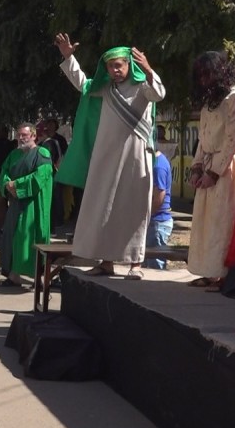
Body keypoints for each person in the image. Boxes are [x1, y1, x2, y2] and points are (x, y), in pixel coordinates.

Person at [55, 35, 166, 280]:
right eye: (110, 66)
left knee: (135, 208)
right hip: (107, 159)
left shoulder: (142, 87)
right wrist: (68, 57)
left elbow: (159, 93)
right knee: (106, 207)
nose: (115, 70)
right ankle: (106, 262)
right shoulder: (105, 89)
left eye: (119, 65)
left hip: (136, 158)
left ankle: (135, 263)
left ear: (129, 65)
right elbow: (82, 82)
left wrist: (148, 69)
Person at [187, 51, 235, 291]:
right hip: (209, 164)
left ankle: (225, 275)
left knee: (225, 221)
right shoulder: (211, 99)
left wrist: (214, 172)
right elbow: (203, 138)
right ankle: (209, 272)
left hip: (228, 168)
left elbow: (232, 139)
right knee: (206, 223)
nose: (205, 79)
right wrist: (196, 167)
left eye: (209, 73)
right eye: (201, 75)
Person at [0, 123, 53, 286]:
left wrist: (17, 185)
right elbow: (4, 172)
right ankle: (14, 275)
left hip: (34, 205)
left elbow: (41, 176)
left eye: (24, 135)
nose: (21, 138)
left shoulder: (42, 153)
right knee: (13, 237)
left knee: (32, 237)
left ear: (34, 136)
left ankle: (39, 278)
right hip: (15, 204)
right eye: (19, 135)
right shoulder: (14, 154)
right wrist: (8, 185)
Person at [144, 150, 173, 270]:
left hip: (157, 223)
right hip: (155, 223)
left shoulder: (158, 166)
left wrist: (145, 218)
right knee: (147, 264)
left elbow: (159, 196)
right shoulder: (156, 162)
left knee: (155, 267)